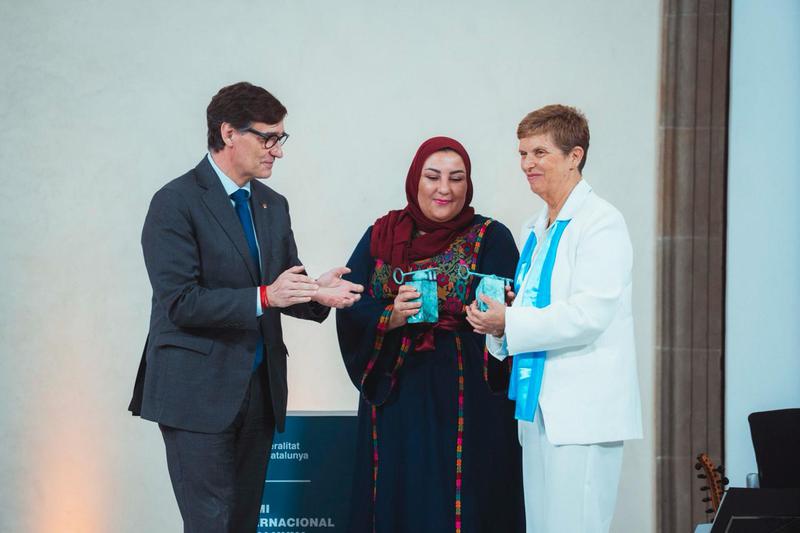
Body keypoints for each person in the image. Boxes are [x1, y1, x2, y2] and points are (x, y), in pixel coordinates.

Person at [128, 81, 363, 533]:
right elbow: (180, 302)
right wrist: (265, 297)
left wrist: (316, 291)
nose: (278, 150)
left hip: (260, 391)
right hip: (196, 395)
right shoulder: (174, 203)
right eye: (268, 137)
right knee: (210, 525)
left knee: (243, 524)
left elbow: (280, 284)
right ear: (229, 133)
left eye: (281, 138)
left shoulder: (273, 205)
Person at [466, 105, 643, 533]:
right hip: (537, 408)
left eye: (539, 152)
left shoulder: (601, 222)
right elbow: (528, 312)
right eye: (522, 153)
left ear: (574, 155)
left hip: (582, 412)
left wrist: (510, 323)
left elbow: (590, 314)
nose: (527, 164)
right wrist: (495, 324)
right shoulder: (534, 228)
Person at [336, 136, 525, 533]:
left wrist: (500, 310)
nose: (445, 189)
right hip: (396, 395)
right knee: (397, 490)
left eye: (457, 178)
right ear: (414, 180)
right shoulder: (382, 234)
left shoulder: (491, 236)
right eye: (433, 176)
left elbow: (506, 318)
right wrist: (391, 315)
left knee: (464, 497)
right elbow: (351, 301)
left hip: (468, 398)